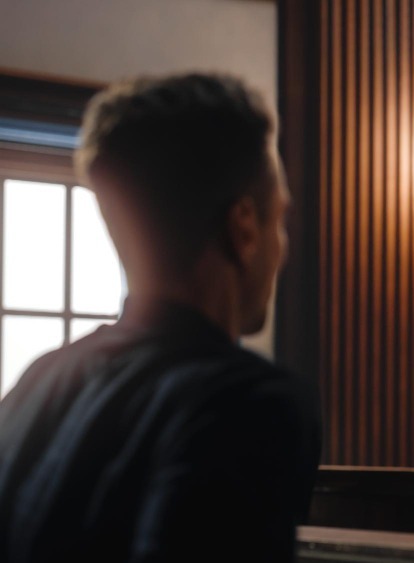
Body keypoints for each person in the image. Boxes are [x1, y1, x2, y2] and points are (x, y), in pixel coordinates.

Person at [0, 73, 321, 562]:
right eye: (279, 218)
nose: (284, 248)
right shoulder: (248, 403)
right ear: (245, 228)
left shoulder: (42, 378)